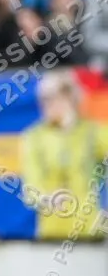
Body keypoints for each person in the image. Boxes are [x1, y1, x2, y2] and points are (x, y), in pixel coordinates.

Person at [21, 71, 108, 240]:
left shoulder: (91, 131)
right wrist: (46, 198)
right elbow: (31, 187)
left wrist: (70, 127)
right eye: (44, 99)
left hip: (90, 229)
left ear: (70, 98)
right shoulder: (34, 136)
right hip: (51, 231)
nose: (47, 105)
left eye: (53, 98)